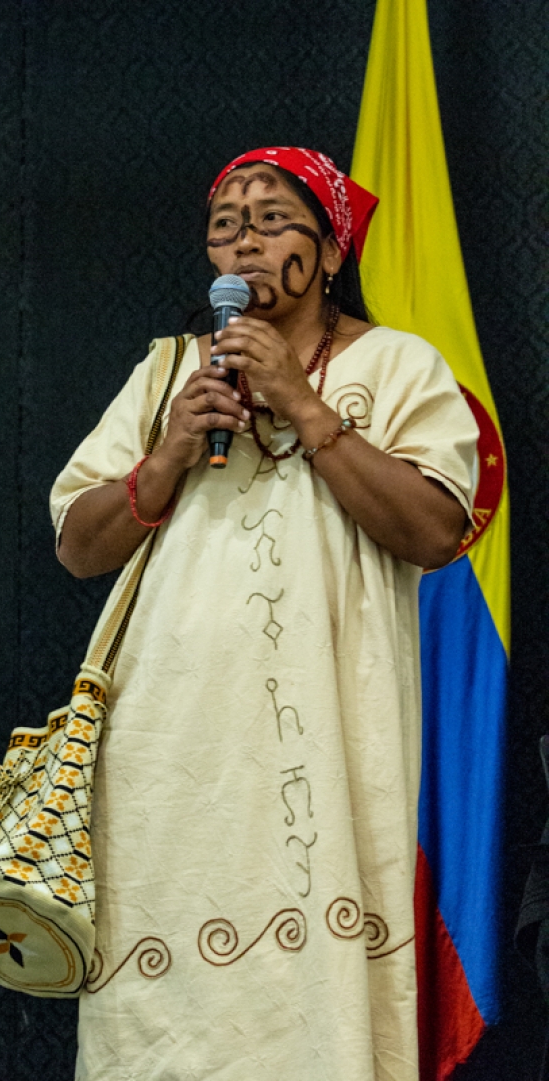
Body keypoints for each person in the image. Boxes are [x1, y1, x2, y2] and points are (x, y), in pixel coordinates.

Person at [50, 147, 478, 1081]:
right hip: (168, 753)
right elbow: (80, 546)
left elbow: (437, 528)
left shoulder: (402, 365)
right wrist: (164, 452)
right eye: (225, 225)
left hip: (326, 747)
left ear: (332, 251)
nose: (242, 243)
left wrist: (300, 401)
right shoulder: (168, 369)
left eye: (271, 220)